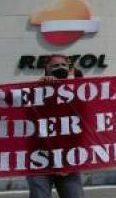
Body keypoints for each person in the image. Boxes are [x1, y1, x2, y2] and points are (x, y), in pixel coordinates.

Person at [26, 55, 85, 198]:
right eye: (55, 66)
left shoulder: (76, 89)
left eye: (64, 65)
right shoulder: (35, 89)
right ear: (46, 69)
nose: (60, 68)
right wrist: (40, 87)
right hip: (39, 157)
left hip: (68, 157)